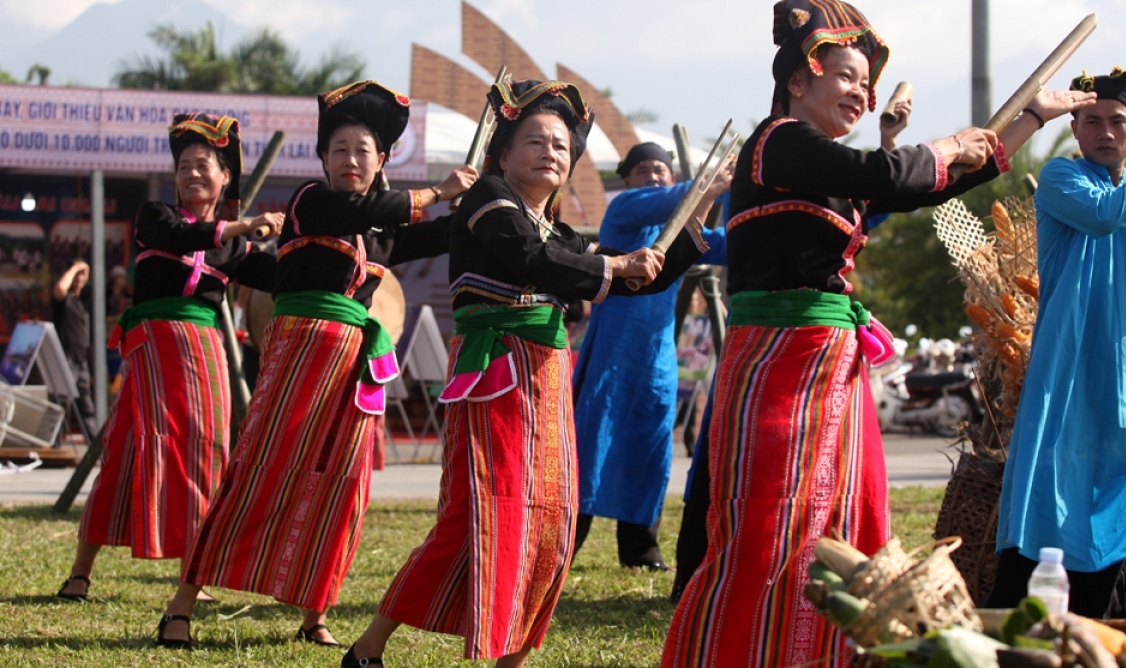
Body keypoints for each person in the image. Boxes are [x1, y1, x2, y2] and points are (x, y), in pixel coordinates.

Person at [660, 0, 1095, 668]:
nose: (861, 95)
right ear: (797, 80)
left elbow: (931, 184)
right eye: (846, 78)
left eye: (867, 84)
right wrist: (949, 142)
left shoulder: (822, 165)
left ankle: (825, 654)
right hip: (779, 367)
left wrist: (1033, 116)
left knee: (845, 520)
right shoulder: (778, 143)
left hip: (831, 364)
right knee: (771, 524)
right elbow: (888, 171)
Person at [343, 78, 723, 668]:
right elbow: (530, 258)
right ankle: (369, 647)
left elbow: (641, 277)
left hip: (545, 376)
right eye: (536, 141)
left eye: (563, 146)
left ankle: (512, 659)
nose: (552, 151)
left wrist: (696, 210)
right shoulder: (487, 201)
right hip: (495, 371)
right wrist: (612, 262)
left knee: (551, 516)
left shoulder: (563, 235)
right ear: (501, 153)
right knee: (479, 513)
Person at [157, 81, 477, 648]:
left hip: (354, 369)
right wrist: (438, 190)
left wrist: (477, 204)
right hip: (299, 358)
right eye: (340, 149)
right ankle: (181, 603)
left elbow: (440, 234)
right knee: (257, 471)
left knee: (340, 485)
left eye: (364, 151)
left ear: (382, 162)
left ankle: (315, 612)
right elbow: (389, 208)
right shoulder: (311, 202)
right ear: (323, 160)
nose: (351, 160)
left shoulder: (377, 235)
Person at [669, 93, 912, 602]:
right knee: (732, 465)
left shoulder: (821, 185)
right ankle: (703, 576)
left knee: (817, 472)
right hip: (760, 344)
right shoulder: (763, 177)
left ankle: (808, 584)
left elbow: (870, 205)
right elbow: (715, 239)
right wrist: (708, 189)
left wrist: (890, 146)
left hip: (817, 347)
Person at [988, 69, 1126, 616]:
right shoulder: (1063, 179)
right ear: (1076, 129)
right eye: (1093, 122)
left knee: (1111, 505)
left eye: (1117, 122)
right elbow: (1102, 216)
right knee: (1045, 506)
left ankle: (1088, 630)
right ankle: (1009, 626)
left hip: (1122, 380)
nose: (1106, 132)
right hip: (1064, 377)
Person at [56, 113, 282, 603]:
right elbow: (183, 239)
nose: (193, 173)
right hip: (152, 349)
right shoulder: (155, 217)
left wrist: (316, 246)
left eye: (205, 165)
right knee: (122, 450)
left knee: (206, 452)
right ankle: (80, 573)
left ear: (225, 177)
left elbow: (281, 278)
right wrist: (242, 225)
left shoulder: (236, 247)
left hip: (204, 356)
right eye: (185, 165)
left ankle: (191, 576)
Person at [571, 141, 730, 571]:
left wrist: (743, 197)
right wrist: (707, 187)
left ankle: (640, 548)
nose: (654, 176)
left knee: (652, 445)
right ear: (627, 180)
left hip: (657, 357)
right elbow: (667, 199)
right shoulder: (623, 209)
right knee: (591, 444)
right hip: (612, 353)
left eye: (662, 170)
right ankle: (566, 544)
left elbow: (735, 243)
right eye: (644, 170)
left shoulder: (682, 233)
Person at [51, 259, 97, 439]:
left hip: (81, 360)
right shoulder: (64, 300)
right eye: (77, 273)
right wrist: (76, 267)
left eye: (84, 273)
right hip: (66, 359)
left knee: (86, 405)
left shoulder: (80, 302)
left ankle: (94, 447)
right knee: (62, 403)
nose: (80, 277)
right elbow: (60, 289)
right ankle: (55, 446)